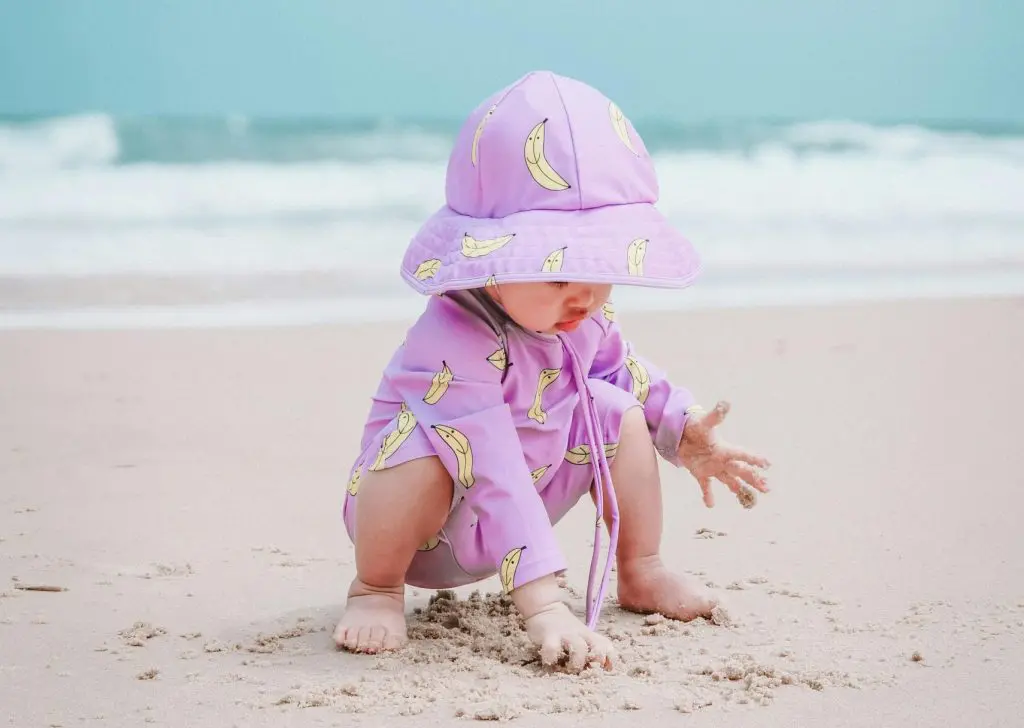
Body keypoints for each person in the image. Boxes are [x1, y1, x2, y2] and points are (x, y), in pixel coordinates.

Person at [332, 70, 771, 672]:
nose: (583, 298)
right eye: (557, 273)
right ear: (491, 257)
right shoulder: (451, 336)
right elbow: (490, 464)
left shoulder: (580, 317)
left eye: (597, 272)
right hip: (422, 530)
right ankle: (374, 590)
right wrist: (544, 605)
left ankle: (641, 568)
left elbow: (625, 374)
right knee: (422, 447)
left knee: (615, 411)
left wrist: (685, 431)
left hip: (523, 505)